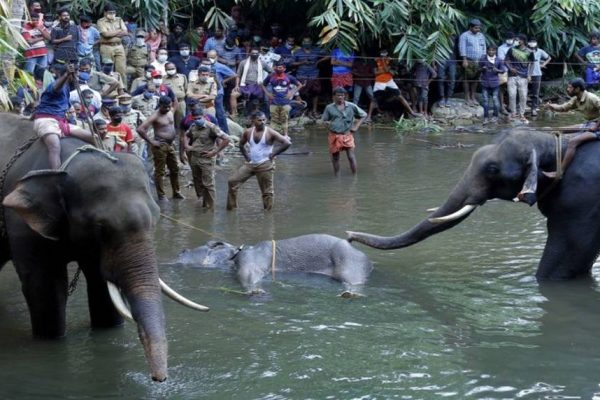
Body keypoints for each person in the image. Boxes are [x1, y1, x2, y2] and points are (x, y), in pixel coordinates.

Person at [226, 111, 291, 211]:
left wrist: (273, 154)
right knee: (232, 182)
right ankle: (232, 209)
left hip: (265, 164)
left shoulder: (270, 132)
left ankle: (268, 215)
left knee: (267, 192)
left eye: (264, 120)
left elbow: (287, 143)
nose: (262, 122)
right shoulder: (248, 132)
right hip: (251, 164)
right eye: (259, 120)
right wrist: (247, 157)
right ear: (253, 121)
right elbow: (241, 145)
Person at [32, 63, 93, 169]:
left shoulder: (67, 88)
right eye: (75, 75)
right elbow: (56, 88)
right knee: (54, 146)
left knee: (93, 137)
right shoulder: (55, 84)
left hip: (61, 122)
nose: (77, 77)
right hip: (47, 121)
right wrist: (66, 75)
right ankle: (56, 175)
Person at [543, 78, 600, 178]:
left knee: (573, 142)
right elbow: (563, 108)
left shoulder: (592, 98)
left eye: (570, 87)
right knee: (558, 129)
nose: (568, 89)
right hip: (590, 123)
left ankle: (560, 172)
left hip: (597, 125)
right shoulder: (576, 98)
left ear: (577, 89)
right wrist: (551, 106)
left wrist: (596, 126)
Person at [137, 96, 184, 200]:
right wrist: (151, 141)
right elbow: (140, 129)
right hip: (160, 145)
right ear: (160, 105)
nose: (167, 109)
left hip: (170, 145)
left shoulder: (171, 110)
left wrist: (172, 94)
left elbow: (175, 102)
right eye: (164, 107)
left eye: (168, 106)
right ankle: (161, 195)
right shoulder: (155, 116)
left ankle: (176, 192)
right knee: (160, 171)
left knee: (175, 169)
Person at [181, 108, 231, 208]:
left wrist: (215, 152)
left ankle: (210, 207)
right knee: (197, 181)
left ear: (203, 117)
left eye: (199, 118)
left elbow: (226, 139)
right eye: (194, 119)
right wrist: (186, 146)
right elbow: (186, 135)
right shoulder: (193, 126)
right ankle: (201, 201)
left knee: (208, 184)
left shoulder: (211, 127)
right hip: (195, 157)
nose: (197, 120)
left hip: (207, 158)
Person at [321, 87, 367, 176]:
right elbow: (324, 120)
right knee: (335, 157)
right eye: (338, 95)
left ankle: (355, 176)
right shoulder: (329, 108)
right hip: (334, 134)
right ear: (333, 97)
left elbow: (363, 115)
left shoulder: (351, 106)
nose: (340, 97)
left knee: (351, 156)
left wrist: (356, 126)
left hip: (347, 134)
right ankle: (337, 176)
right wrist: (326, 124)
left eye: (342, 95)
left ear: (344, 96)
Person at [373, 49, 419, 118]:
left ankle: (412, 112)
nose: (383, 56)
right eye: (382, 55)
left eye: (385, 55)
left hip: (389, 80)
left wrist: (383, 65)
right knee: (374, 99)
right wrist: (385, 71)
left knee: (400, 96)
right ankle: (369, 116)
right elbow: (375, 73)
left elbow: (386, 70)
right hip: (379, 81)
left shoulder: (390, 60)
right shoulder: (376, 61)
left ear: (387, 55)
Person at [262, 60, 302, 136]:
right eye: (277, 67)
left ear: (284, 69)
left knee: (285, 119)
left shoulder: (289, 77)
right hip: (273, 102)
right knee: (273, 119)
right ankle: (271, 136)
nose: (278, 69)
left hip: (285, 102)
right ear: (274, 68)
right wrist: (268, 94)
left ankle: (285, 135)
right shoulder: (271, 76)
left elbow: (299, 85)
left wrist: (291, 93)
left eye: (280, 67)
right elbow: (262, 84)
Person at [293, 37, 328, 118]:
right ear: (302, 42)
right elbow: (292, 63)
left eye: (308, 41)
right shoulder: (297, 51)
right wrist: (302, 62)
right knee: (301, 93)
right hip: (301, 74)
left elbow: (329, 55)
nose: (306, 43)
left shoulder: (316, 50)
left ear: (311, 42)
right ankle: (303, 110)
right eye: (305, 41)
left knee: (315, 92)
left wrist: (319, 61)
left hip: (314, 74)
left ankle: (314, 111)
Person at [505, 34, 534, 122]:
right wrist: (510, 68)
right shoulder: (511, 49)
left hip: (523, 76)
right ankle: (513, 113)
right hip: (511, 76)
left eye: (518, 40)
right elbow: (506, 60)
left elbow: (532, 63)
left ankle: (522, 114)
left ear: (523, 41)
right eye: (516, 39)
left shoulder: (529, 51)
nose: (516, 41)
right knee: (512, 95)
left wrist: (530, 75)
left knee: (523, 96)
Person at [97, 4, 128, 86]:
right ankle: (107, 88)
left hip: (119, 46)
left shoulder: (119, 20)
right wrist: (119, 31)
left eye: (114, 12)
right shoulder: (101, 22)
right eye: (110, 12)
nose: (112, 14)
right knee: (108, 69)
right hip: (106, 47)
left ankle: (123, 89)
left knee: (121, 69)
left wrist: (112, 34)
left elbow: (125, 32)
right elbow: (106, 34)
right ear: (105, 13)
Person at [459, 18, 486, 105]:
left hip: (479, 61)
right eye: (476, 28)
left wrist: (484, 59)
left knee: (476, 79)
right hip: (469, 60)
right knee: (467, 79)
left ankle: (473, 96)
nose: (478, 29)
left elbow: (484, 47)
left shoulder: (481, 35)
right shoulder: (464, 35)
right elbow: (462, 47)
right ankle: (467, 97)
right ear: (470, 27)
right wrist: (464, 60)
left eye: (479, 28)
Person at [234, 48, 267, 116]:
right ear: (249, 54)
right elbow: (238, 75)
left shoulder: (262, 63)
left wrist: (266, 82)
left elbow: (271, 71)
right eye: (253, 53)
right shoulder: (243, 62)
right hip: (244, 85)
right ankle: (234, 114)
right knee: (233, 95)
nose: (254, 54)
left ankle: (257, 115)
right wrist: (237, 85)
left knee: (257, 101)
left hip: (256, 85)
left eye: (256, 53)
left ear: (258, 54)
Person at [479, 45, 506, 124]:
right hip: (485, 83)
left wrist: (497, 70)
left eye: (493, 50)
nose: (491, 52)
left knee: (495, 100)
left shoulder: (499, 60)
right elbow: (478, 69)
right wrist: (482, 69)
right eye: (489, 50)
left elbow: (503, 70)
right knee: (485, 101)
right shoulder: (483, 59)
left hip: (495, 83)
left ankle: (495, 116)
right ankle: (486, 117)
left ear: (495, 51)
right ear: (487, 51)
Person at [528, 38, 551, 117]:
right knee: (522, 91)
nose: (532, 43)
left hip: (537, 73)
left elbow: (549, 57)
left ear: (536, 43)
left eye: (534, 42)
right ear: (528, 43)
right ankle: (520, 109)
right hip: (525, 73)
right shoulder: (525, 51)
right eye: (530, 42)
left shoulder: (540, 51)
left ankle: (533, 109)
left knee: (535, 92)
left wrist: (543, 64)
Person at [436, 34, 459, 108]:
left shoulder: (455, 36)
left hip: (452, 60)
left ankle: (448, 98)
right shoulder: (438, 35)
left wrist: (459, 62)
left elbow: (458, 49)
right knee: (440, 78)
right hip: (441, 59)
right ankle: (442, 98)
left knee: (452, 79)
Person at [163, 61, 188, 127]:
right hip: (169, 104)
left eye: (173, 68)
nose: (171, 70)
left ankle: (180, 136)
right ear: (165, 70)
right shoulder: (163, 79)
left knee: (181, 121)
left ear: (176, 68)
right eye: (169, 69)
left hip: (180, 102)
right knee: (168, 121)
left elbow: (186, 89)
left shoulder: (182, 77)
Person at [497, 32, 515, 115]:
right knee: (502, 88)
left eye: (511, 38)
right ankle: (502, 107)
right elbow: (502, 60)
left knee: (512, 89)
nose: (510, 40)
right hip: (504, 70)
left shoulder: (517, 46)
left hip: (515, 71)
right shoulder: (501, 48)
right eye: (508, 38)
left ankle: (509, 106)